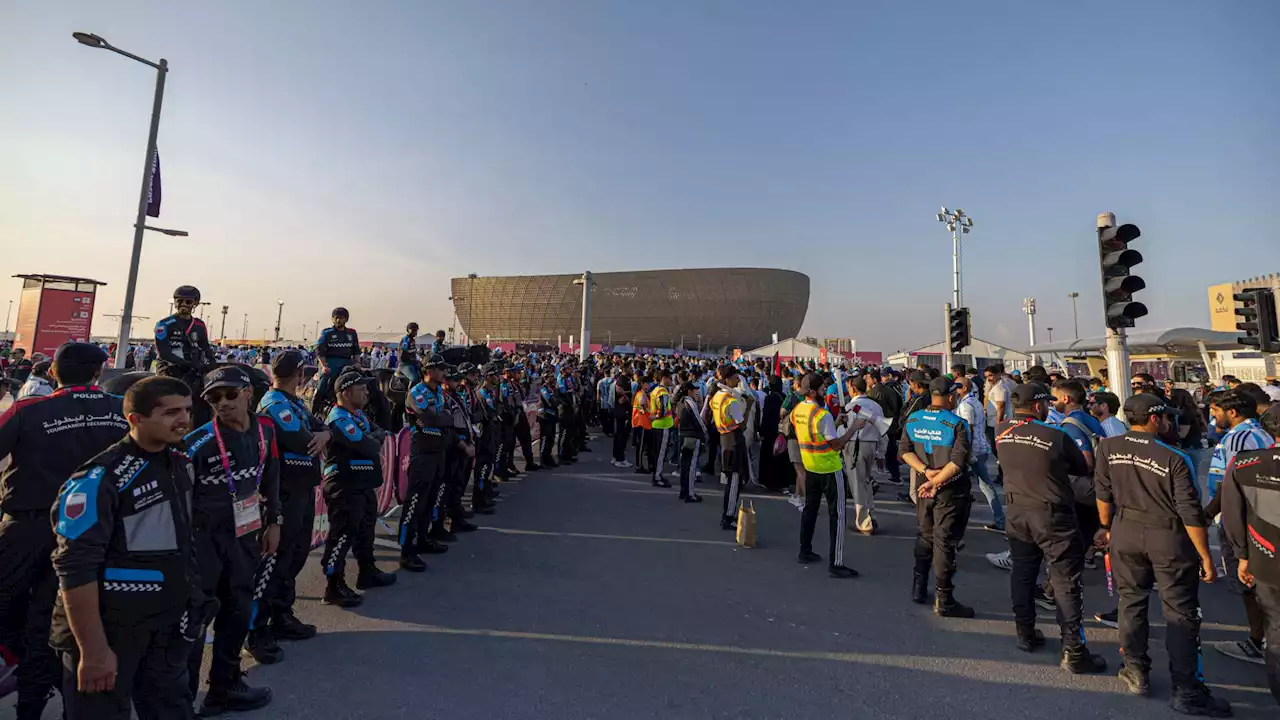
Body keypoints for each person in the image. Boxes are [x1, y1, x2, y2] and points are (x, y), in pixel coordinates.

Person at [49, 377, 196, 719]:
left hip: (165, 629)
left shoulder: (180, 461)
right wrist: (94, 650)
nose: (184, 420)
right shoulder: (99, 477)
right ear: (136, 419)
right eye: (171, 412)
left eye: (187, 410)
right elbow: (74, 568)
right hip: (109, 632)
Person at [0, 343, 128, 719]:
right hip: (99, 534)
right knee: (60, 622)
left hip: (29, 531)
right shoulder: (123, 409)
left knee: (27, 620)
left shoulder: (27, 410)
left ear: (52, 373)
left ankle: (32, 689)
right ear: (97, 374)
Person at [1095, 394, 1231, 716]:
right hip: (1168, 537)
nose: (1171, 423)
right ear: (1155, 419)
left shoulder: (1108, 447)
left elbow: (1103, 493)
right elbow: (1190, 513)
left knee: (1130, 602)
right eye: (1167, 418)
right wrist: (1206, 557)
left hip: (1125, 530)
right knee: (1180, 613)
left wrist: (1105, 527)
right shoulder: (1174, 457)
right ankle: (1187, 691)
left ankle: (1135, 669)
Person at [182, 365, 279, 714]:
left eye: (229, 394)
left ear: (248, 393)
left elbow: (271, 477)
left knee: (238, 611)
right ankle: (182, 700)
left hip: (246, 535)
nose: (222, 403)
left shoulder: (266, 429)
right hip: (203, 539)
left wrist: (275, 522)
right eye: (213, 398)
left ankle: (225, 687)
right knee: (196, 619)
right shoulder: (196, 442)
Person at [994, 383, 1107, 671]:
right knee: (1066, 580)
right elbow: (1082, 468)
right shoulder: (1054, 435)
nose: (1049, 407)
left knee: (1022, 573)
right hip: (1052, 514)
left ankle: (1025, 633)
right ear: (1037, 406)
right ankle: (1074, 650)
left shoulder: (1001, 431)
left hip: (1017, 511)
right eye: (1046, 402)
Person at [252, 351, 329, 651]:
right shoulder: (274, 405)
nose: (305, 378)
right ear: (298, 375)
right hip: (282, 492)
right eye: (303, 373)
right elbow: (303, 441)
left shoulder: (295, 403)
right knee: (273, 563)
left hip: (302, 489)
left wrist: (324, 435)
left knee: (295, 557)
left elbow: (321, 428)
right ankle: (256, 632)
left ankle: (282, 616)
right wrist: (321, 435)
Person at [1203, 388, 1273, 666]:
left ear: (1232, 412)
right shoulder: (1249, 433)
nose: (1212, 415)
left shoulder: (1242, 438)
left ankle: (1259, 642)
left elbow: (1236, 484)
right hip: (1248, 517)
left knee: (1247, 583)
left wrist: (1210, 512)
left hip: (1241, 519)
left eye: (1216, 410)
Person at [900, 377, 974, 618]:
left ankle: (917, 587)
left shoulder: (914, 418)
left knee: (925, 534)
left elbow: (904, 452)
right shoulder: (957, 424)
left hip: (924, 486)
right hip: (950, 489)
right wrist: (937, 480)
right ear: (951, 397)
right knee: (944, 542)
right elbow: (958, 462)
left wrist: (925, 473)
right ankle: (944, 598)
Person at [321, 371, 397, 601]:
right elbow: (370, 445)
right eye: (362, 389)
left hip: (363, 484)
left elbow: (379, 432)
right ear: (346, 392)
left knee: (365, 531)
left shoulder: (359, 415)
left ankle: (367, 571)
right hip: (345, 486)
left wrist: (373, 437)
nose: (367, 392)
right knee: (342, 536)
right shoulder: (339, 418)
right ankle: (334, 585)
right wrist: (373, 438)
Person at [1220, 445, 1280, 705]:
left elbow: (1232, 514)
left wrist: (1242, 556)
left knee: (1276, 632)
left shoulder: (1246, 463)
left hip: (1266, 560)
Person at [793, 373, 860, 578]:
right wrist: (853, 428)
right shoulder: (822, 415)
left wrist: (836, 422)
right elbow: (837, 444)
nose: (825, 390)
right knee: (837, 516)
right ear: (812, 391)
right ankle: (836, 562)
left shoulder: (798, 410)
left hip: (810, 466)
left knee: (809, 511)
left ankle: (805, 550)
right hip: (829, 468)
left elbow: (815, 434)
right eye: (822, 388)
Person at [400, 355, 452, 572]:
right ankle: (407, 551)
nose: (444, 373)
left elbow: (447, 416)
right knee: (415, 502)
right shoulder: (417, 392)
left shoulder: (440, 391)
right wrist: (442, 417)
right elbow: (430, 417)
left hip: (438, 450)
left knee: (430, 499)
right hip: (421, 451)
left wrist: (441, 417)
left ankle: (422, 539)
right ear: (428, 371)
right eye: (440, 369)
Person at [155, 286, 216, 426]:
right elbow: (164, 353)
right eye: (179, 301)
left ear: (195, 304)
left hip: (194, 369)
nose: (183, 305)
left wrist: (212, 363)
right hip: (170, 369)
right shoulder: (164, 324)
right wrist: (187, 364)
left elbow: (205, 347)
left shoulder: (200, 325)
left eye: (187, 302)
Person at [956, 376, 1003, 532]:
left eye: (957, 386)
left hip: (972, 450)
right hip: (981, 447)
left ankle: (1000, 520)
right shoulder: (975, 401)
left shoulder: (965, 405)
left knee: (978, 485)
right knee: (984, 484)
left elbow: (967, 429)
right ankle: (999, 519)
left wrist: (966, 452)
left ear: (964, 389)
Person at [843, 375, 884, 536]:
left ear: (853, 389)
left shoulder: (852, 406)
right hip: (872, 444)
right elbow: (883, 431)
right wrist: (881, 452)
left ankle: (864, 522)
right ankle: (870, 515)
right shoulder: (875, 406)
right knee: (866, 481)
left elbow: (846, 431)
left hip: (856, 445)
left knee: (857, 484)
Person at [710, 365, 749, 531]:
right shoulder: (730, 401)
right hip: (733, 439)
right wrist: (748, 406)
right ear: (727, 379)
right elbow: (742, 424)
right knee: (734, 481)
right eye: (735, 378)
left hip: (723, 437)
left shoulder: (716, 397)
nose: (738, 380)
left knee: (730, 478)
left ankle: (728, 514)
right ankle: (728, 516)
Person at [310, 308, 360, 415]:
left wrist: (358, 363)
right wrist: (323, 366)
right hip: (330, 363)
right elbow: (320, 350)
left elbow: (356, 350)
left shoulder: (352, 333)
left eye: (340, 318)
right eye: (335, 318)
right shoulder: (327, 333)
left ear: (346, 319)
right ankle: (313, 413)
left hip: (348, 363)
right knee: (322, 385)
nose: (338, 320)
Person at [674, 380, 707, 503]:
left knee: (684, 465)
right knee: (692, 465)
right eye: (693, 390)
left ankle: (684, 491)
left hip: (682, 434)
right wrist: (704, 430)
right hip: (692, 435)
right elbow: (698, 418)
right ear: (689, 391)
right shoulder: (689, 401)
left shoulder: (680, 402)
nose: (695, 392)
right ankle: (690, 493)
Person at [984, 364, 1015, 484]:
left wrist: (998, 425)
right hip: (994, 423)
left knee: (999, 451)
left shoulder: (999, 388)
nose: (989, 379)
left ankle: (1004, 475)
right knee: (997, 450)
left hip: (997, 424)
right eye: (987, 376)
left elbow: (1000, 407)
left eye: (991, 375)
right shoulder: (996, 386)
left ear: (998, 374)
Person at [647, 371, 674, 488]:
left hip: (657, 425)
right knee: (660, 453)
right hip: (663, 425)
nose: (671, 381)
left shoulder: (655, 389)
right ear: (664, 378)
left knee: (657, 452)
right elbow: (662, 411)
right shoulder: (662, 391)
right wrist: (657, 416)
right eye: (670, 378)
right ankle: (657, 477)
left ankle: (658, 474)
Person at [537, 371, 561, 468]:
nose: (553, 378)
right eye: (551, 377)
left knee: (551, 438)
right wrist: (557, 399)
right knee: (545, 438)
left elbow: (558, 398)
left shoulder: (553, 389)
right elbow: (551, 401)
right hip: (545, 416)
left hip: (552, 416)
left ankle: (548, 456)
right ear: (546, 378)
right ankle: (543, 459)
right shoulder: (544, 389)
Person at [631, 375, 653, 474]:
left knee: (644, 445)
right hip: (641, 422)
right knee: (641, 446)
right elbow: (642, 404)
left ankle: (644, 465)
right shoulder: (641, 394)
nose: (649, 385)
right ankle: (639, 466)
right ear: (642, 384)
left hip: (645, 422)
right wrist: (651, 412)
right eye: (647, 383)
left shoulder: (643, 393)